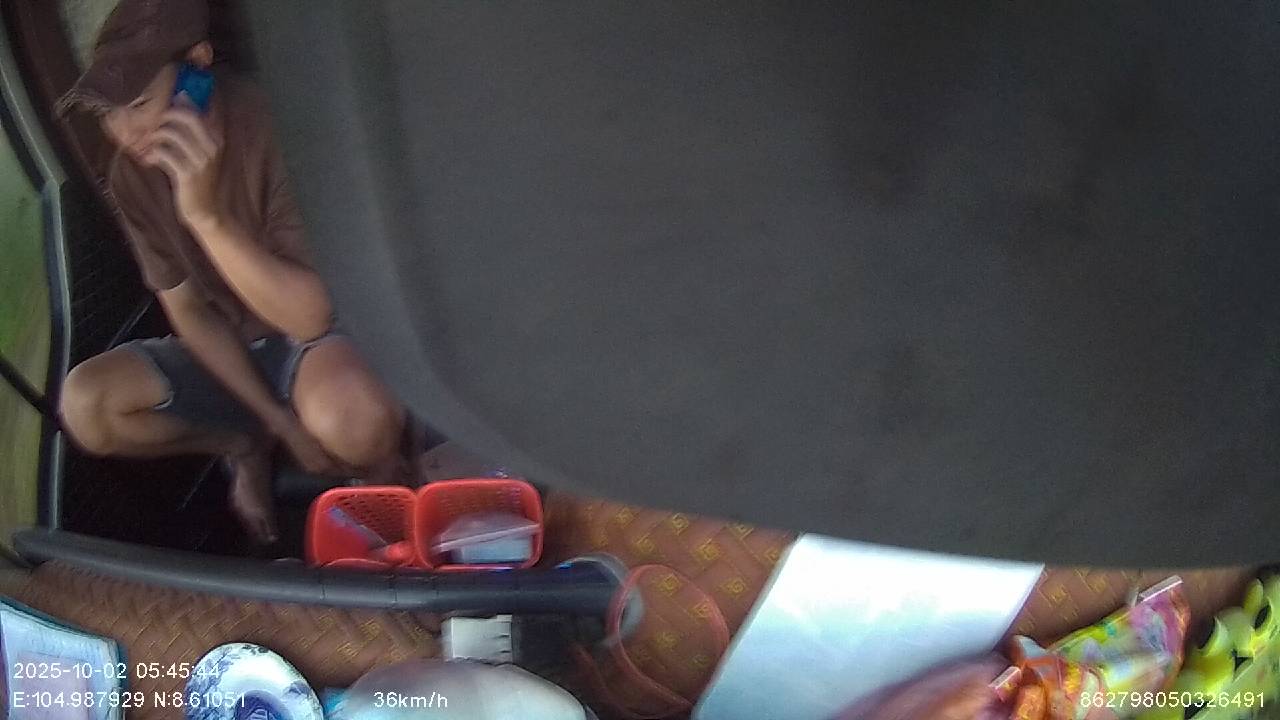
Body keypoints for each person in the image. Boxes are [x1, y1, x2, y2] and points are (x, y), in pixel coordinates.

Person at [55, 0, 406, 544]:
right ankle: (241, 447)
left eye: (140, 103)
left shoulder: (278, 127)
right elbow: (188, 310)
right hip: (234, 344)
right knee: (86, 405)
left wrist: (207, 218)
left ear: (198, 65)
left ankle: (391, 494)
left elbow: (309, 318)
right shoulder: (132, 174)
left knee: (354, 419)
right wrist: (274, 423)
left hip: (318, 337)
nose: (125, 132)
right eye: (109, 112)